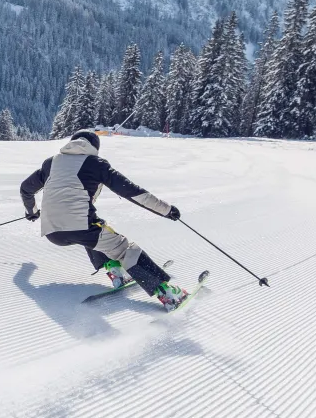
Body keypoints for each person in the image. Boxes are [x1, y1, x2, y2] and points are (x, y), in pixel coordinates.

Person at [19, 130, 190, 311]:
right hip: (81, 227)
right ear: (95, 148)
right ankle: (168, 294)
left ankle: (114, 270)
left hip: (52, 232)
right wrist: (166, 210)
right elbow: (132, 192)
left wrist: (32, 212)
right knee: (124, 249)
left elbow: (26, 189)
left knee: (97, 231)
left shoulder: (50, 163)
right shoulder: (96, 163)